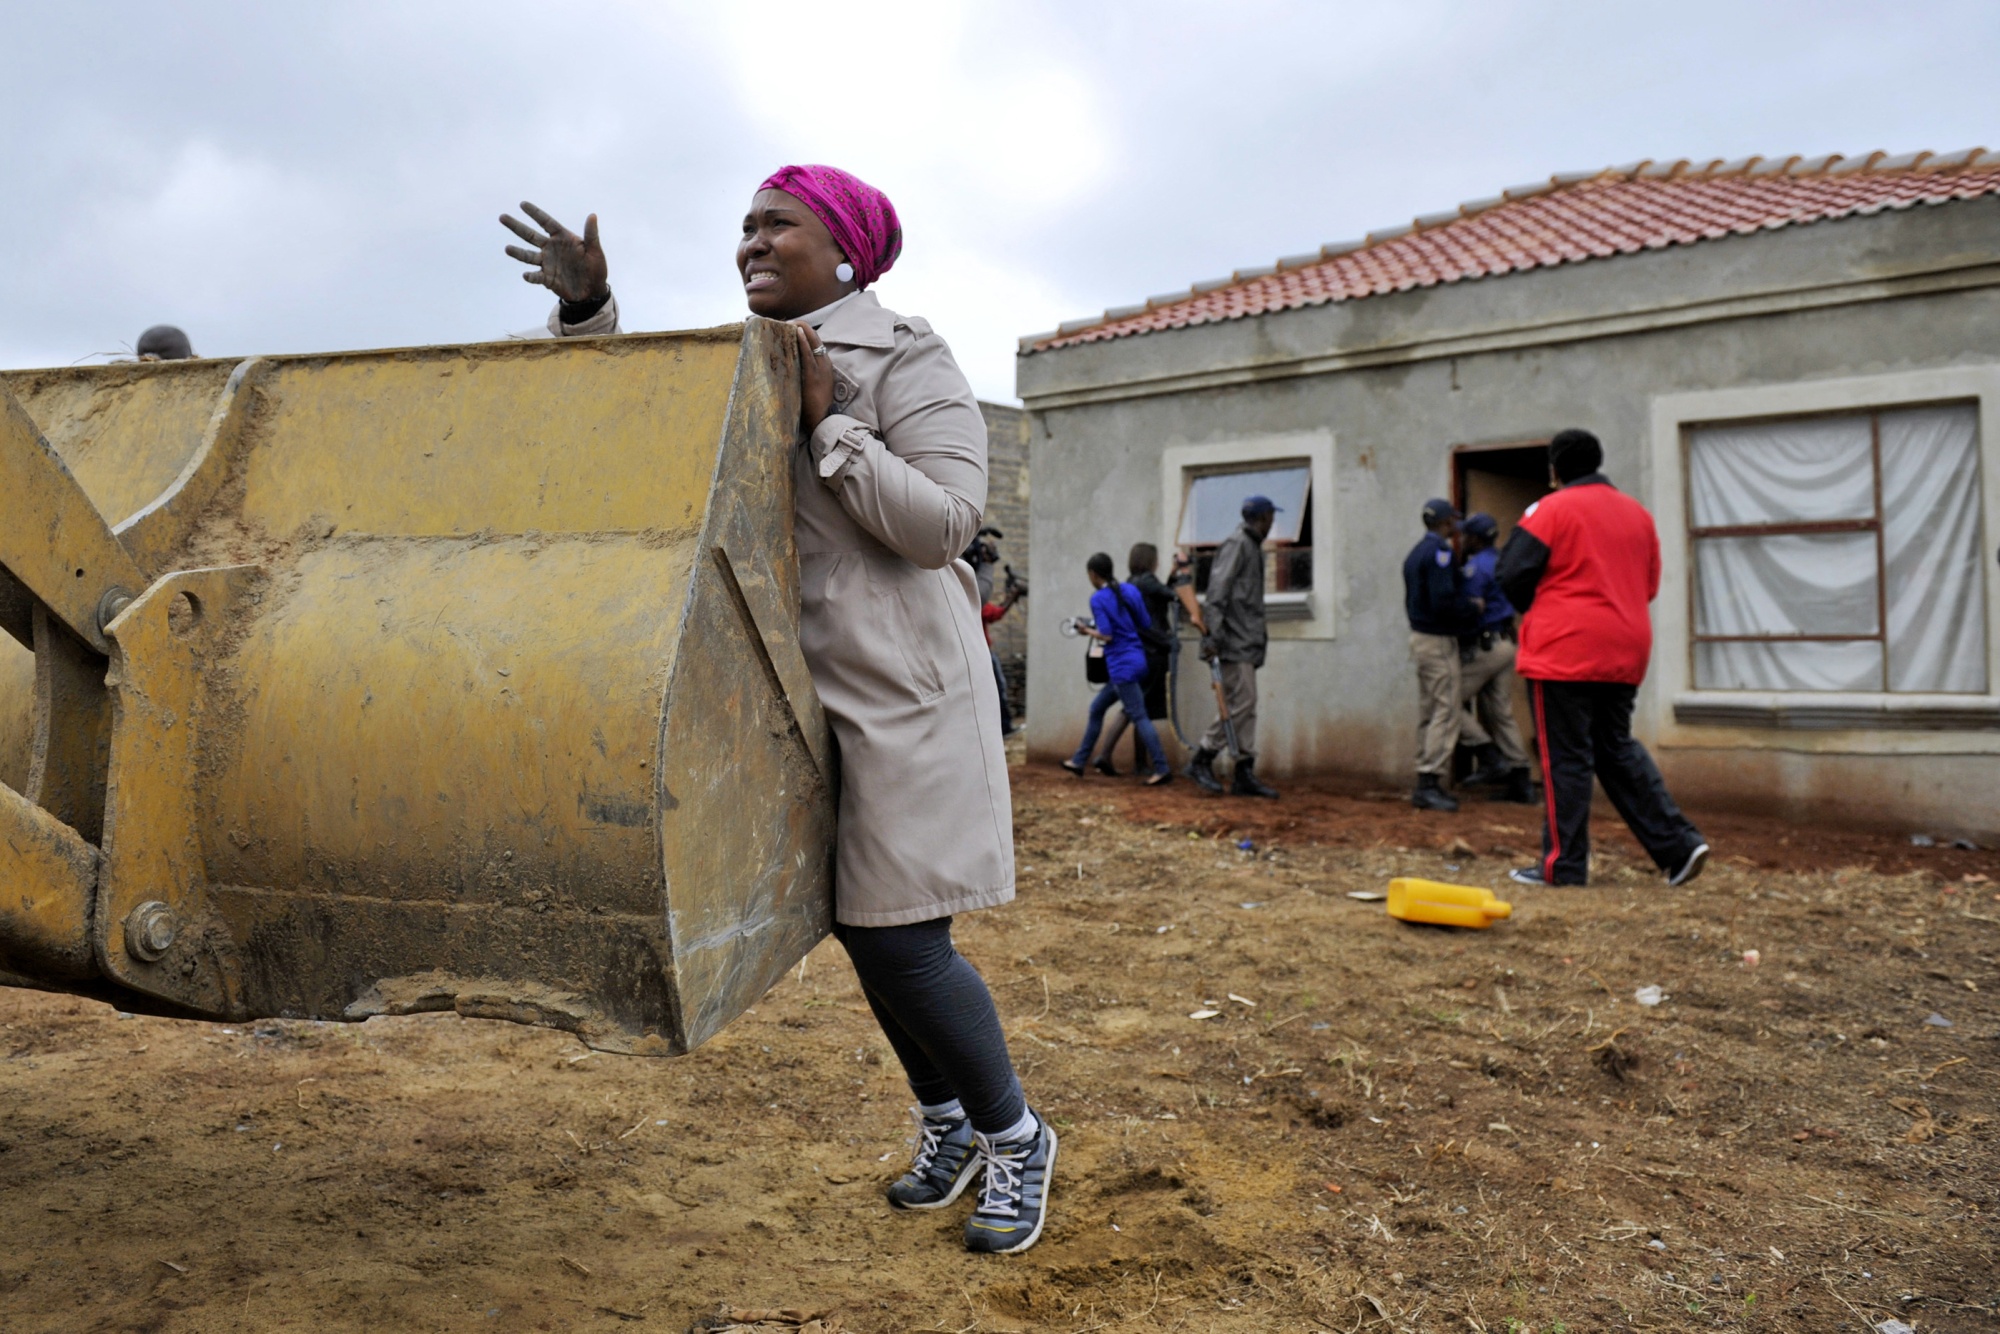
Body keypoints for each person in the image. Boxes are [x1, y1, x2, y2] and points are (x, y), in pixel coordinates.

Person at [500, 168, 1055, 1254]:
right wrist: (585, 314)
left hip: (904, 690)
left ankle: (1016, 1133)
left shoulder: (907, 353)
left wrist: (833, 427)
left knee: (904, 935)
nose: (749, 241)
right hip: (786, 689)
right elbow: (625, 428)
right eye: (743, 225)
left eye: (775, 224)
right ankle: (948, 1120)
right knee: (858, 925)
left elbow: (945, 524)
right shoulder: (739, 358)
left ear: (845, 248)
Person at [1496, 429, 1710, 889]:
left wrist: (1542, 605)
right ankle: (1679, 846)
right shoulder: (1638, 515)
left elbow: (1511, 574)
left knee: (1565, 756)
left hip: (1564, 647)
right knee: (1614, 746)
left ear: (1555, 470)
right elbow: (1649, 585)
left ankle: (1563, 865)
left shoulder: (1548, 509)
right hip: (1626, 646)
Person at [1186, 497, 1280, 799]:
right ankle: (1203, 756)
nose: (1272, 524)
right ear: (1262, 518)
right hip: (1234, 640)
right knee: (1243, 703)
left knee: (1246, 708)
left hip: (1247, 640)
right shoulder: (1237, 544)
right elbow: (1217, 592)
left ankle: (1244, 771)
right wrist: (1211, 636)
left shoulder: (1251, 546)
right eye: (1270, 518)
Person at [1062, 552, 1173, 786]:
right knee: (1097, 708)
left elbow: (1107, 634)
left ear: (1093, 574)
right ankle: (1079, 761)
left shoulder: (1098, 598)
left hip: (1121, 665)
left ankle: (1162, 767)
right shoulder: (1130, 591)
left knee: (1140, 716)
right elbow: (1144, 622)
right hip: (1137, 659)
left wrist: (1086, 630)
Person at [1403, 498, 1481, 812]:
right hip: (1437, 640)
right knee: (1446, 709)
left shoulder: (1415, 552)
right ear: (1446, 522)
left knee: (1429, 709)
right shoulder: (1441, 554)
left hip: (1420, 638)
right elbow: (1443, 600)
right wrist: (1472, 608)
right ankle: (1430, 780)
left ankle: (1425, 775)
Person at [1455, 512, 1535, 805]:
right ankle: (1521, 779)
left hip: (1487, 645)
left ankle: (1488, 755)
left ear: (1476, 539)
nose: (1462, 540)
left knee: (1448, 701)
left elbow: (1472, 607)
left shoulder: (1477, 567)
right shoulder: (1503, 560)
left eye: (1466, 536)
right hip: (1506, 642)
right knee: (1500, 713)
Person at [1090, 543, 1175, 775]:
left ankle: (1116, 759)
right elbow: (1171, 597)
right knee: (1136, 711)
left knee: (1132, 709)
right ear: (1150, 561)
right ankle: (1153, 765)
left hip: (1131, 658)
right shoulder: (1145, 581)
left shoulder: (1128, 585)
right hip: (1147, 655)